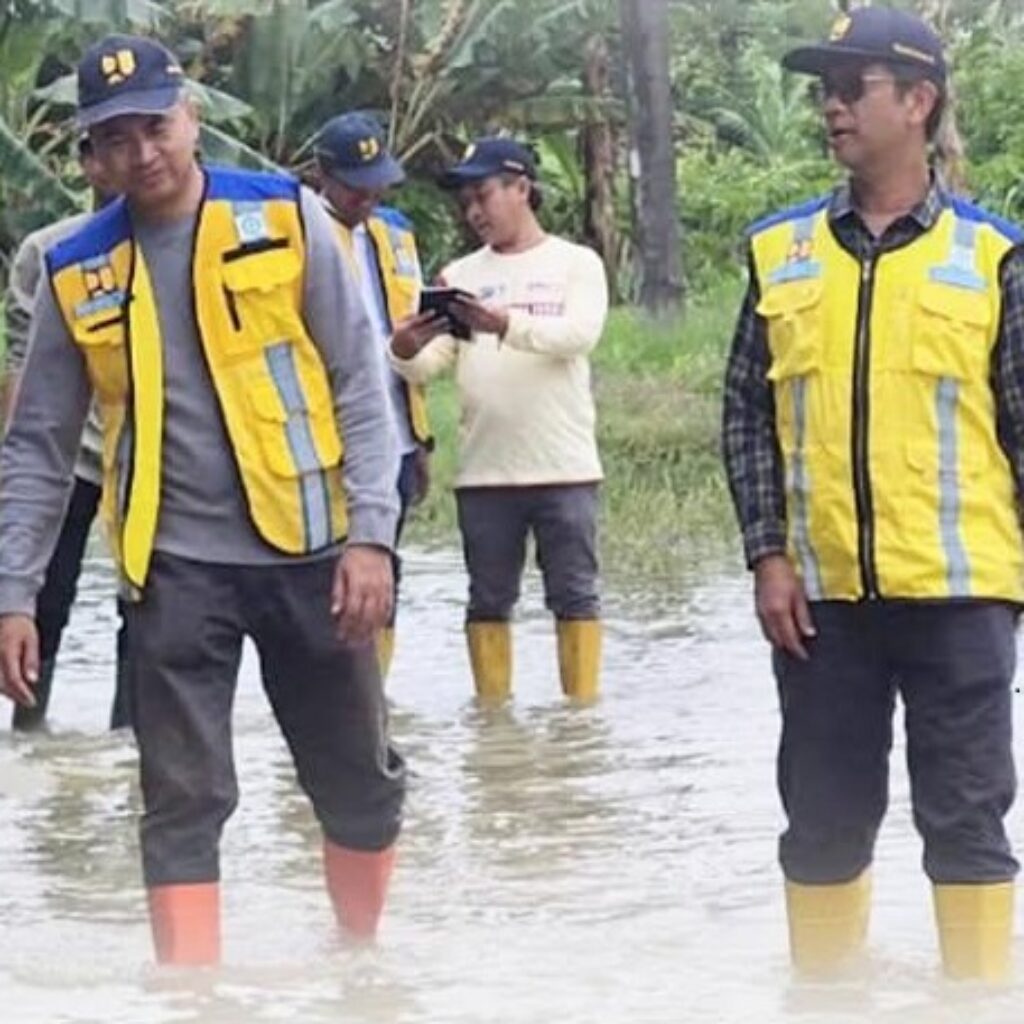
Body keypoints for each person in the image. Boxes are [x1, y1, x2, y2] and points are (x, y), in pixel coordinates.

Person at [0, 34, 404, 966]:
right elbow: (39, 447)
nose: (141, 153)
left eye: (155, 125)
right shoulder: (75, 270)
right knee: (180, 799)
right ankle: (192, 998)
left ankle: (363, 968)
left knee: (359, 784)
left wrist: (371, 539)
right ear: (90, 157)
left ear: (191, 118)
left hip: (313, 551)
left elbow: (361, 385)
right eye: (114, 138)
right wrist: (14, 595)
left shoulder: (287, 218)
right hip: (174, 571)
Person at [722, 6, 1024, 982]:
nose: (831, 107)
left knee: (967, 818)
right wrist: (767, 554)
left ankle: (974, 1002)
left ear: (918, 100)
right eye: (824, 89)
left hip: (961, 592)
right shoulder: (778, 252)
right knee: (819, 817)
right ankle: (822, 1002)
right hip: (819, 603)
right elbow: (745, 420)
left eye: (852, 87)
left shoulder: (992, 257)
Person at [389, 138, 608, 703]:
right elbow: (429, 366)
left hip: (564, 468)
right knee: (487, 600)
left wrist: (502, 323)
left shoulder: (575, 264)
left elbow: (578, 335)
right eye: (467, 201)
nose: (475, 211)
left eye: (484, 194)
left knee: (575, 596)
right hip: (485, 474)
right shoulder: (459, 274)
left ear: (521, 189)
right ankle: (492, 719)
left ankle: (580, 718)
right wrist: (404, 347)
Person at [2, 137, 132, 732]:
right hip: (72, 455)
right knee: (45, 599)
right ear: (89, 164)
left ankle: (131, 744)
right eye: (111, 149)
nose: (131, 161)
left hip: (149, 457)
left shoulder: (180, 241)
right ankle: (30, 733)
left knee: (149, 610)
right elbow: (24, 371)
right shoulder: (49, 252)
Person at [314, 111, 432, 680]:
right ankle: (338, 692)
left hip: (399, 436)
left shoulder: (395, 233)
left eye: (376, 183)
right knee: (332, 581)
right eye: (355, 186)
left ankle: (375, 699)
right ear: (322, 176)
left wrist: (422, 438)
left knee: (385, 574)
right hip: (333, 444)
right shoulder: (300, 232)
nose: (368, 196)